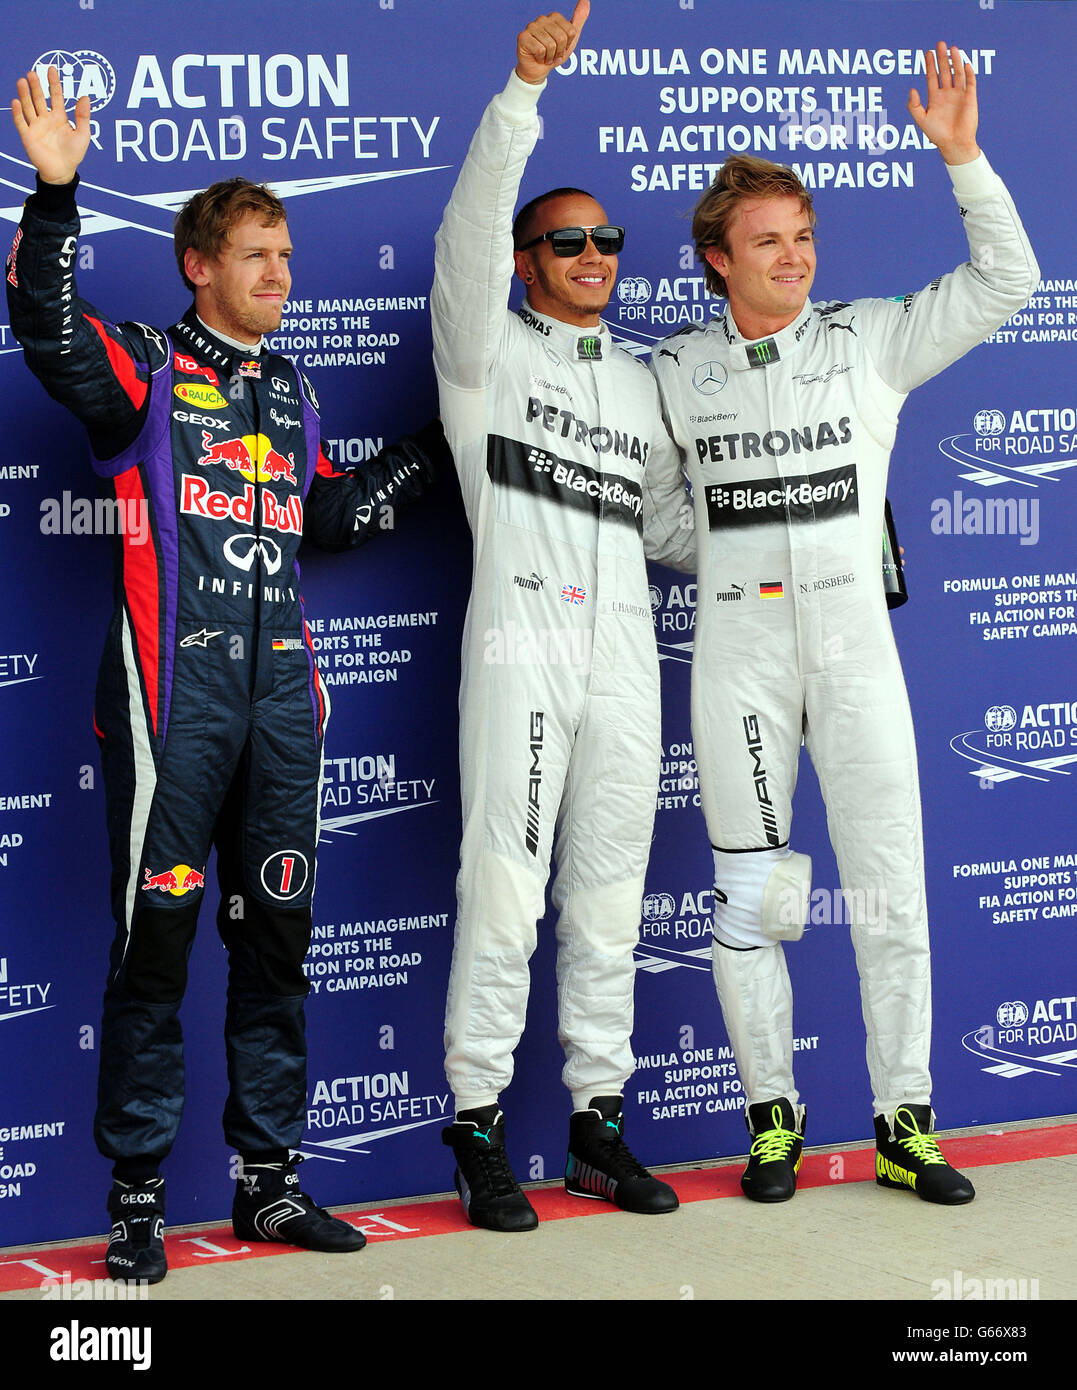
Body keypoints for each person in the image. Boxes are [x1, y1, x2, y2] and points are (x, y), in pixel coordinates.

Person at [7, 66, 445, 1282]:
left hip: (285, 712)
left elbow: (327, 520)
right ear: (201, 265)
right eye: (254, 256)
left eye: (287, 257)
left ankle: (268, 1185)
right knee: (154, 949)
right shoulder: (147, 369)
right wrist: (55, 193)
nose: (278, 276)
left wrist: (435, 447)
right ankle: (139, 1199)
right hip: (168, 707)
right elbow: (46, 331)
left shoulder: (296, 392)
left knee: (278, 949)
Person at [651, 43, 1038, 1205]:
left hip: (857, 650)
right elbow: (665, 516)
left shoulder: (869, 339)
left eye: (804, 236)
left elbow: (1007, 280)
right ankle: (773, 1117)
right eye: (769, 241)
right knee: (750, 897)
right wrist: (737, 566)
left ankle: (905, 1122)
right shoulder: (672, 368)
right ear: (720, 260)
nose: (796, 257)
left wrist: (963, 159)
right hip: (738, 661)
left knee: (887, 887)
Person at [431, 2, 694, 1232]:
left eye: (607, 240)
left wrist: (830, 528)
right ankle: (477, 1124)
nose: (594, 253)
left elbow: (683, 534)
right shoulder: (484, 356)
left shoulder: (643, 384)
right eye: (567, 240)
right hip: (523, 642)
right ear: (533, 262)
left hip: (626, 657)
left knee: (608, 893)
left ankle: (599, 1124)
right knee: (505, 883)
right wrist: (520, 95)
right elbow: (473, 241)